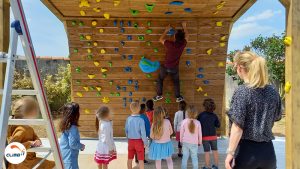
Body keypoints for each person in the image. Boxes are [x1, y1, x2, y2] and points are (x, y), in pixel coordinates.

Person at [225, 51, 282, 169]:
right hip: (268, 153)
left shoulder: (242, 92)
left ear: (240, 68)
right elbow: (276, 116)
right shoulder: (273, 91)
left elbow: (237, 127)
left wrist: (230, 153)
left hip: (246, 153)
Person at [7, 97, 55, 169]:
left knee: (53, 164)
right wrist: (30, 143)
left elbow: (35, 137)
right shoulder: (21, 130)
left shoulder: (29, 128)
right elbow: (12, 146)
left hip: (29, 159)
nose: (37, 113)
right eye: (35, 111)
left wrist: (37, 141)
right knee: (53, 165)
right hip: (22, 163)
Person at [153, 22, 188, 103]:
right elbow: (187, 37)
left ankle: (159, 95)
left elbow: (160, 39)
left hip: (165, 67)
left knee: (160, 79)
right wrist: (185, 27)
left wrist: (166, 30)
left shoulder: (170, 44)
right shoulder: (183, 44)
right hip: (174, 68)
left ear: (175, 37)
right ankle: (178, 97)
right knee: (176, 81)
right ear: (182, 38)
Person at [59, 102, 85, 169]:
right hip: (70, 158)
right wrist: (81, 146)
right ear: (75, 114)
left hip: (64, 155)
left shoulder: (66, 125)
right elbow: (73, 144)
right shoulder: (73, 127)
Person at [197, 98, 220, 169]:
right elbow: (218, 125)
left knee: (207, 152)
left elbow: (198, 125)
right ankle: (216, 166)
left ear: (204, 106)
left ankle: (207, 167)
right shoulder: (214, 115)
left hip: (204, 137)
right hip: (213, 137)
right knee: (215, 151)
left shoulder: (200, 115)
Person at [125, 101, 147, 169]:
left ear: (130, 109)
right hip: (139, 141)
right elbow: (143, 133)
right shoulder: (141, 120)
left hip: (130, 141)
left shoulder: (128, 119)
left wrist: (128, 139)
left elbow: (126, 130)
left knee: (130, 158)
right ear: (139, 109)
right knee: (141, 159)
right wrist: (145, 142)